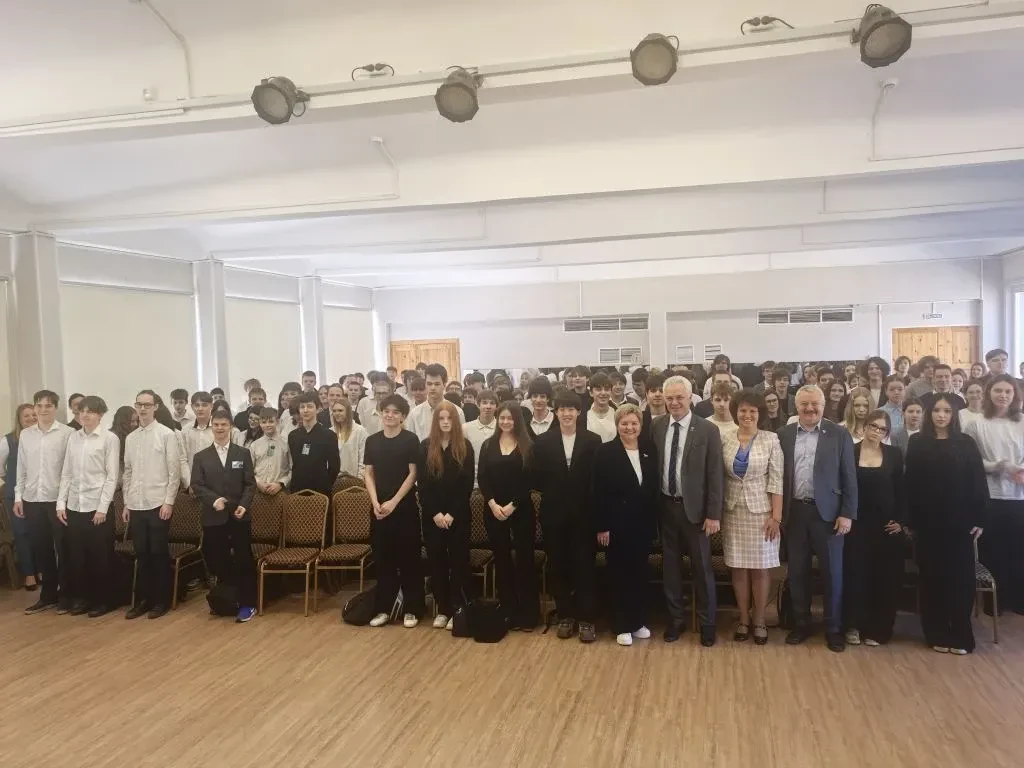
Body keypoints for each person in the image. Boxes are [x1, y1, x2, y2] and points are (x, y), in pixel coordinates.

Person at [778, 384, 857, 652]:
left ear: (824, 406)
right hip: (795, 513)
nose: (810, 409)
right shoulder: (784, 434)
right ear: (796, 406)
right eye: (804, 404)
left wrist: (847, 513)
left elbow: (849, 476)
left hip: (829, 515)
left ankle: (833, 628)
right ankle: (802, 624)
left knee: (832, 573)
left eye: (815, 404)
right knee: (797, 572)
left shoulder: (839, 434)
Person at [906, 393, 987, 654]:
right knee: (931, 579)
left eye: (947, 411)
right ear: (929, 414)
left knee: (960, 580)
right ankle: (936, 632)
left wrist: (980, 518)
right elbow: (911, 484)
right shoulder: (917, 442)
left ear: (953, 415)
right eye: (936, 410)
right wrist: (910, 521)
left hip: (959, 523)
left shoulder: (966, 443)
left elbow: (978, 482)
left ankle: (961, 633)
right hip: (927, 524)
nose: (941, 415)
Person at [651, 375, 724, 646]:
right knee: (670, 568)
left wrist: (713, 514)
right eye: (669, 398)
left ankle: (707, 623)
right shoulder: (657, 426)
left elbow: (715, 474)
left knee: (702, 568)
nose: (674, 403)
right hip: (665, 507)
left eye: (679, 397)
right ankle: (676, 619)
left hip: (697, 512)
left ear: (690, 397)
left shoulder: (707, 429)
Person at [532, 391, 602, 643]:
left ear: (579, 412)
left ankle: (586, 619)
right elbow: (537, 477)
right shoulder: (543, 441)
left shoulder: (592, 440)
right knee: (558, 566)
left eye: (571, 409)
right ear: (556, 412)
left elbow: (596, 480)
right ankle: (565, 616)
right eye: (562, 409)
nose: (567, 414)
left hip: (584, 515)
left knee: (585, 567)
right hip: (554, 514)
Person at [720, 390, 783, 646]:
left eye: (753, 411)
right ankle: (743, 619)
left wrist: (776, 517)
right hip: (733, 511)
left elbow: (777, 480)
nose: (747, 415)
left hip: (762, 514)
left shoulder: (771, 439)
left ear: (760, 414)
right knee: (738, 568)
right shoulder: (725, 438)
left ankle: (759, 620)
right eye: (743, 410)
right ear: (736, 412)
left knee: (760, 569)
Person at [594, 404, 657, 646]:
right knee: (619, 575)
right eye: (624, 423)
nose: (629, 427)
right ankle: (621, 624)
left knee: (639, 574)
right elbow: (598, 491)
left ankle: (638, 621)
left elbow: (651, 487)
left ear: (640, 425)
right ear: (617, 425)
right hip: (616, 525)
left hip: (642, 524)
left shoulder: (649, 448)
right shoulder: (605, 452)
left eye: (634, 423)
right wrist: (602, 526)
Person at [843, 410, 906, 647]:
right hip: (856, 526)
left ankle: (879, 629)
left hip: (886, 528)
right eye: (873, 426)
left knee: (884, 579)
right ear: (865, 427)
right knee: (856, 576)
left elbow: (902, 490)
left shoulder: (894, 454)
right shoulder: (850, 451)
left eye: (882, 429)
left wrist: (901, 521)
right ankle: (853, 625)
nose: (877, 431)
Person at [965, 374, 1024, 616]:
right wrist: (998, 466)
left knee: (1017, 548)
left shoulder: (1021, 422)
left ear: (1015, 395)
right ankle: (994, 603)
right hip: (990, 494)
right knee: (993, 549)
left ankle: (1017, 599)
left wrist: (1020, 470)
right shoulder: (976, 424)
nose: (1003, 395)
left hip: (1018, 495)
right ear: (988, 393)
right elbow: (971, 461)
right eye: (998, 390)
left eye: (1008, 391)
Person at [191, 410, 257, 623]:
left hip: (239, 516)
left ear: (230, 427)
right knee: (218, 561)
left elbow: (250, 484)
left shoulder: (242, 453)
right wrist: (214, 500)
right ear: (212, 427)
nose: (220, 428)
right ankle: (228, 599)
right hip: (213, 517)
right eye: (216, 425)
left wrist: (244, 505)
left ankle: (247, 603)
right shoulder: (201, 457)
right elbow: (196, 485)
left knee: (244, 560)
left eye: (224, 425)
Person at [55, 396, 119, 618]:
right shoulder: (73, 437)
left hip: (97, 507)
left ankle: (103, 601)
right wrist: (61, 503)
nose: (85, 415)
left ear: (100, 414)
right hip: (75, 505)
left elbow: (112, 476)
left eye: (90, 411)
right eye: (82, 411)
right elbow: (66, 473)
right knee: (77, 556)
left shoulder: (109, 438)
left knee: (99, 557)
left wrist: (102, 508)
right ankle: (82, 599)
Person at [478, 401, 540, 630]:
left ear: (517, 420)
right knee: (502, 560)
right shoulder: (488, 445)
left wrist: (513, 505)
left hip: (520, 509)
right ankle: (508, 611)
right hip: (493, 510)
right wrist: (493, 504)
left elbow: (529, 480)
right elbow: (482, 477)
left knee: (524, 560)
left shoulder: (528, 446)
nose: (505, 422)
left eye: (510, 418)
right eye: (502, 418)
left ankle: (528, 614)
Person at [365, 395, 424, 628]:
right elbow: (368, 473)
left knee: (409, 560)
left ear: (403, 416)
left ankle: (412, 609)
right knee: (383, 560)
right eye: (386, 411)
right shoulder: (372, 441)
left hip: (404, 508)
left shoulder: (410, 440)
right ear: (381, 413)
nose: (390, 415)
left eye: (395, 412)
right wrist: (375, 502)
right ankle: (383, 609)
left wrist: (394, 501)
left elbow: (413, 474)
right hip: (379, 509)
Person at [122, 389, 182, 620]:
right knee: (142, 554)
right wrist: (126, 503)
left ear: (156, 407)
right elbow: (128, 472)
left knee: (158, 553)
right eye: (139, 404)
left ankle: (161, 600)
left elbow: (174, 473)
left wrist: (169, 502)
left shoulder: (166, 434)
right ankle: (143, 600)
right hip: (136, 503)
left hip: (158, 503)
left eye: (147, 405)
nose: (143, 409)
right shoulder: (131, 438)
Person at [15, 390, 75, 614]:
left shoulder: (67, 433)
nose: (43, 410)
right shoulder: (26, 435)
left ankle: (66, 595)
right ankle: (48, 595)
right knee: (41, 548)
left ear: (55, 408)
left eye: (48, 406)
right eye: (39, 405)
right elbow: (21, 468)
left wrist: (63, 500)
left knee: (63, 548)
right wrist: (19, 496)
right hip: (32, 498)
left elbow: (70, 470)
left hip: (57, 501)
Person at [416, 401, 475, 630]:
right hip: (433, 517)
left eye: (449, 418)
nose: (446, 422)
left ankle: (458, 607)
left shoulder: (464, 446)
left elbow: (466, 485)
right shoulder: (425, 447)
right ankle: (443, 609)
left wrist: (451, 513)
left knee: (458, 562)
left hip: (458, 516)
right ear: (436, 421)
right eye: (441, 418)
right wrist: (435, 514)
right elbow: (423, 486)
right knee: (437, 562)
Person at [1, 404, 37, 590]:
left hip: (37, 494)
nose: (31, 418)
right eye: (26, 416)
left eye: (34, 415)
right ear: (19, 419)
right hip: (16, 495)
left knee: (39, 533)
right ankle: (29, 574)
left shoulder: (40, 438)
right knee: (22, 534)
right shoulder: (8, 441)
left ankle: (41, 570)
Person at [288, 391, 340, 498]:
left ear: (318, 409)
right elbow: (294, 463)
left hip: (321, 490)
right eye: (302, 407)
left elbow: (334, 466)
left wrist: (326, 483)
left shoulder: (329, 435)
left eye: (310, 406)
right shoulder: (293, 436)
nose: (305, 410)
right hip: (297, 489)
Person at [408, 364, 465, 440]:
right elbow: (411, 441)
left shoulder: (457, 412)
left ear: (444, 384)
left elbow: (461, 440)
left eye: (437, 384)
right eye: (429, 384)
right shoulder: (415, 413)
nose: (432, 388)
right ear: (425, 384)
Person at [250, 407, 291, 494]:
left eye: (271, 421)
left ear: (277, 422)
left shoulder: (286, 444)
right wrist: (258, 482)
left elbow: (292, 469)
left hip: (281, 492)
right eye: (264, 422)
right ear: (260, 423)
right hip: (258, 491)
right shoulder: (254, 445)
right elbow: (249, 470)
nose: (267, 425)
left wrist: (280, 484)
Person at [180, 391, 215, 487]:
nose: (200, 408)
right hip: (193, 482)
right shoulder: (185, 430)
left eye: (204, 405)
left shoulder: (219, 428)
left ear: (212, 406)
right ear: (192, 407)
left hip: (217, 482)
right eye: (197, 405)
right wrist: (189, 483)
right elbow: (182, 459)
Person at [464, 390, 498, 488]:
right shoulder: (466, 428)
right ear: (478, 404)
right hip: (472, 483)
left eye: (492, 403)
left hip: (495, 483)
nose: (488, 406)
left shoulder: (501, 428)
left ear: (496, 406)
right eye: (484, 402)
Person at [330, 398, 367, 481]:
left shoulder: (360, 431)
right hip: (334, 480)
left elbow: (363, 459)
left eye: (340, 410)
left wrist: (359, 480)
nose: (337, 413)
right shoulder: (330, 432)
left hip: (354, 479)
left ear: (348, 412)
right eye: (334, 411)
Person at [585, 372, 617, 443]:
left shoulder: (617, 413)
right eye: (598, 389)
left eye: (606, 389)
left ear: (611, 392)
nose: (603, 393)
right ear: (591, 393)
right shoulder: (584, 415)